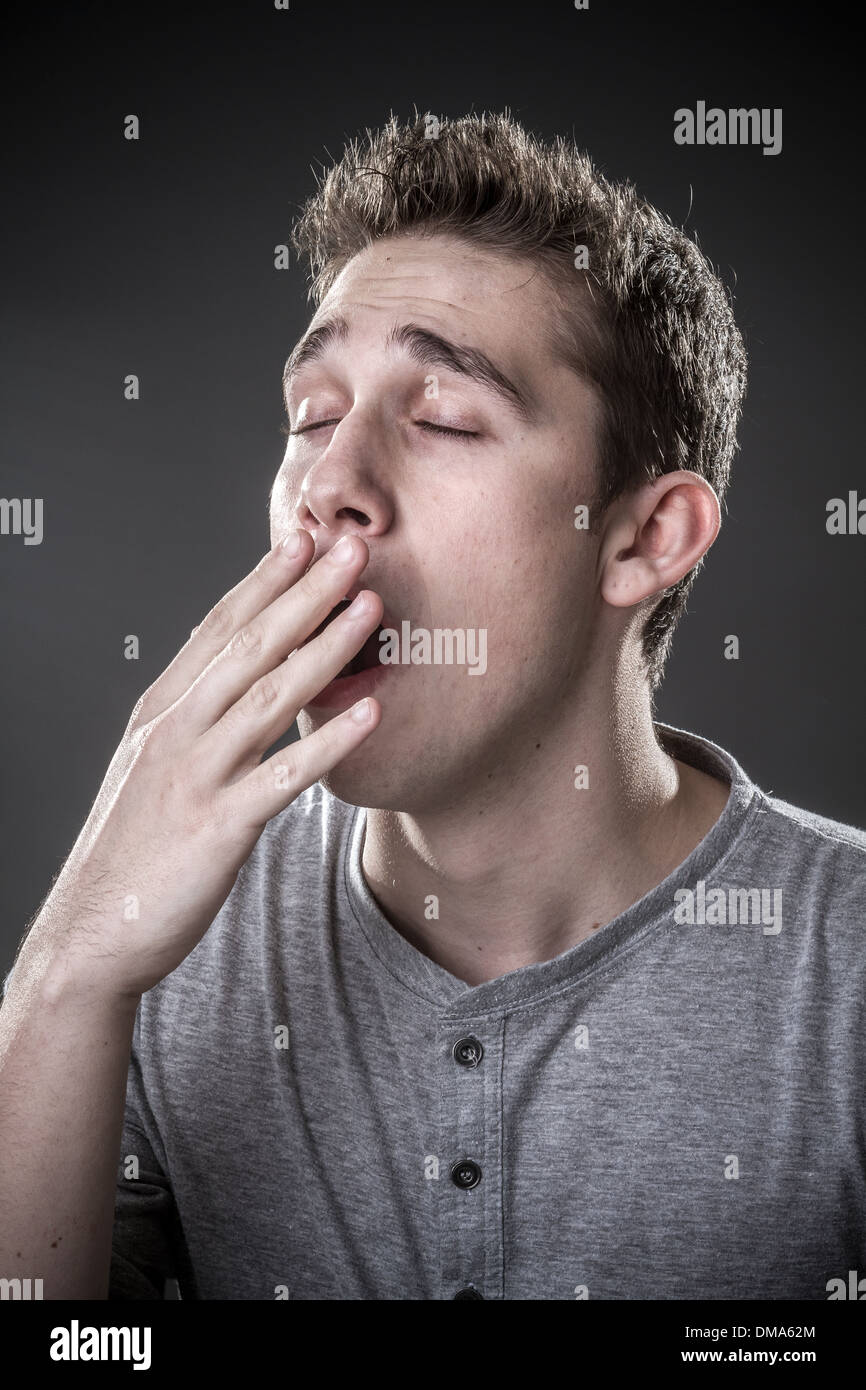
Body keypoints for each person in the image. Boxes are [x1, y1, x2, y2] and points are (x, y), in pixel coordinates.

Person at [1, 111, 863, 1301]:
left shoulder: (844, 966)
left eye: (444, 418)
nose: (328, 488)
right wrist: (65, 976)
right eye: (311, 417)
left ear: (641, 537)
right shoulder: (168, 941)